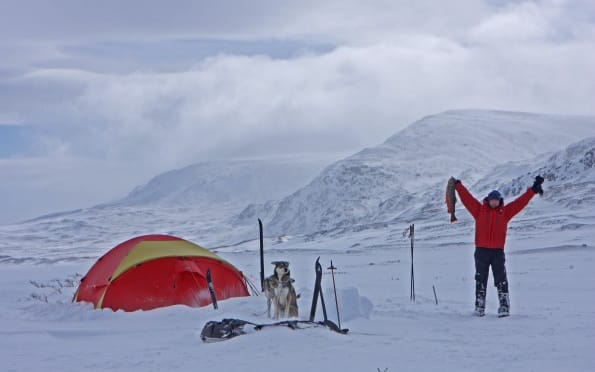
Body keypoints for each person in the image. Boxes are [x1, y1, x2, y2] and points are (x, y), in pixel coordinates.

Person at [453, 175, 544, 317]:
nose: (494, 202)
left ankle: (504, 307)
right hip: (481, 251)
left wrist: (532, 190)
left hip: (497, 252)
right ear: (488, 200)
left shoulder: (505, 213)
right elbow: (467, 199)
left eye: (496, 200)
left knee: (501, 279)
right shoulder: (479, 211)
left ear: (499, 201)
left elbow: (520, 203)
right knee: (480, 279)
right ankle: (479, 307)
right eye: (492, 200)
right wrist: (458, 186)